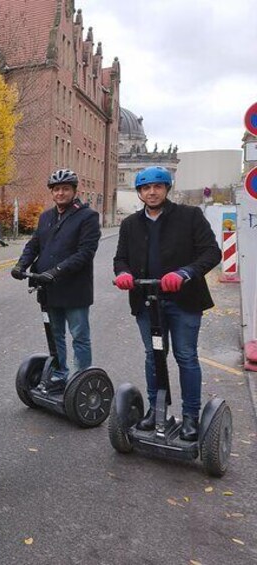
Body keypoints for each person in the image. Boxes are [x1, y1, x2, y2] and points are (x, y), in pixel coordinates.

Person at [113, 166, 221, 441]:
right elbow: (120, 258)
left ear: (166, 188)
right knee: (154, 356)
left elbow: (211, 252)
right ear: (139, 192)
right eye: (146, 188)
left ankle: (190, 417)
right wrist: (123, 273)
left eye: (157, 187)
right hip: (147, 302)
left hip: (183, 301)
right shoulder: (130, 224)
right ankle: (156, 410)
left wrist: (185, 273)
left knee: (186, 357)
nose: (152, 192)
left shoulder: (190, 216)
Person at [11, 168, 101, 391]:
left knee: (79, 335)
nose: (60, 193)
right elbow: (34, 244)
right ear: (52, 192)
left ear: (73, 190)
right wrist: (21, 264)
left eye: (65, 189)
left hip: (74, 289)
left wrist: (56, 271)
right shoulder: (46, 217)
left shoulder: (87, 216)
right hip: (47, 287)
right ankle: (60, 373)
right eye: (56, 189)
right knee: (55, 334)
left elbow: (85, 253)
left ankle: (82, 379)